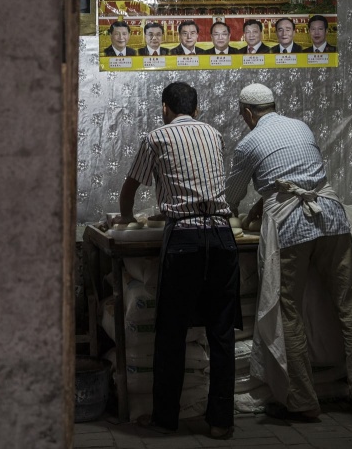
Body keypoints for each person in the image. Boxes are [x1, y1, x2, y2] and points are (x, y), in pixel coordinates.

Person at [224, 83, 352, 425]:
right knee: (351, 308)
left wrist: (238, 211)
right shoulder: (301, 126)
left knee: (288, 312)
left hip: (292, 226)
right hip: (331, 216)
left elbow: (231, 197)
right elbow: (297, 176)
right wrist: (263, 201)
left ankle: (303, 401)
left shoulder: (249, 142)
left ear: (248, 114)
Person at [117, 82, 239, 440]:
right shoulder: (214, 135)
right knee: (221, 333)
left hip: (184, 239)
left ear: (165, 108)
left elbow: (130, 188)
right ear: (197, 110)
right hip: (221, 236)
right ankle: (220, 422)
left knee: (171, 331)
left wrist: (125, 219)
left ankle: (165, 419)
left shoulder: (157, 136)